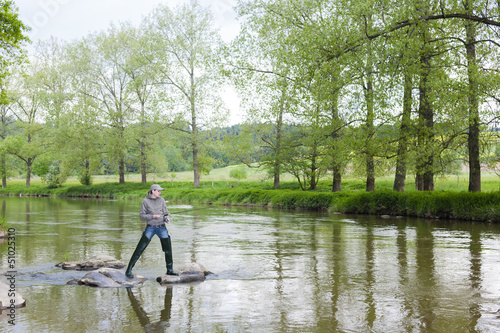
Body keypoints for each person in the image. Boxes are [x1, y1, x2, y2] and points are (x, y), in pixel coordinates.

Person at [125, 184, 178, 278]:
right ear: (153, 191)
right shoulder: (145, 201)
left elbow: (165, 212)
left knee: (168, 249)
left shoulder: (161, 200)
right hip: (150, 227)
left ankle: (170, 270)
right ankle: (128, 270)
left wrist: (167, 219)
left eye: (160, 191)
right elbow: (141, 216)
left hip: (162, 227)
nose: (160, 192)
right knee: (140, 249)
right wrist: (152, 216)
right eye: (159, 191)